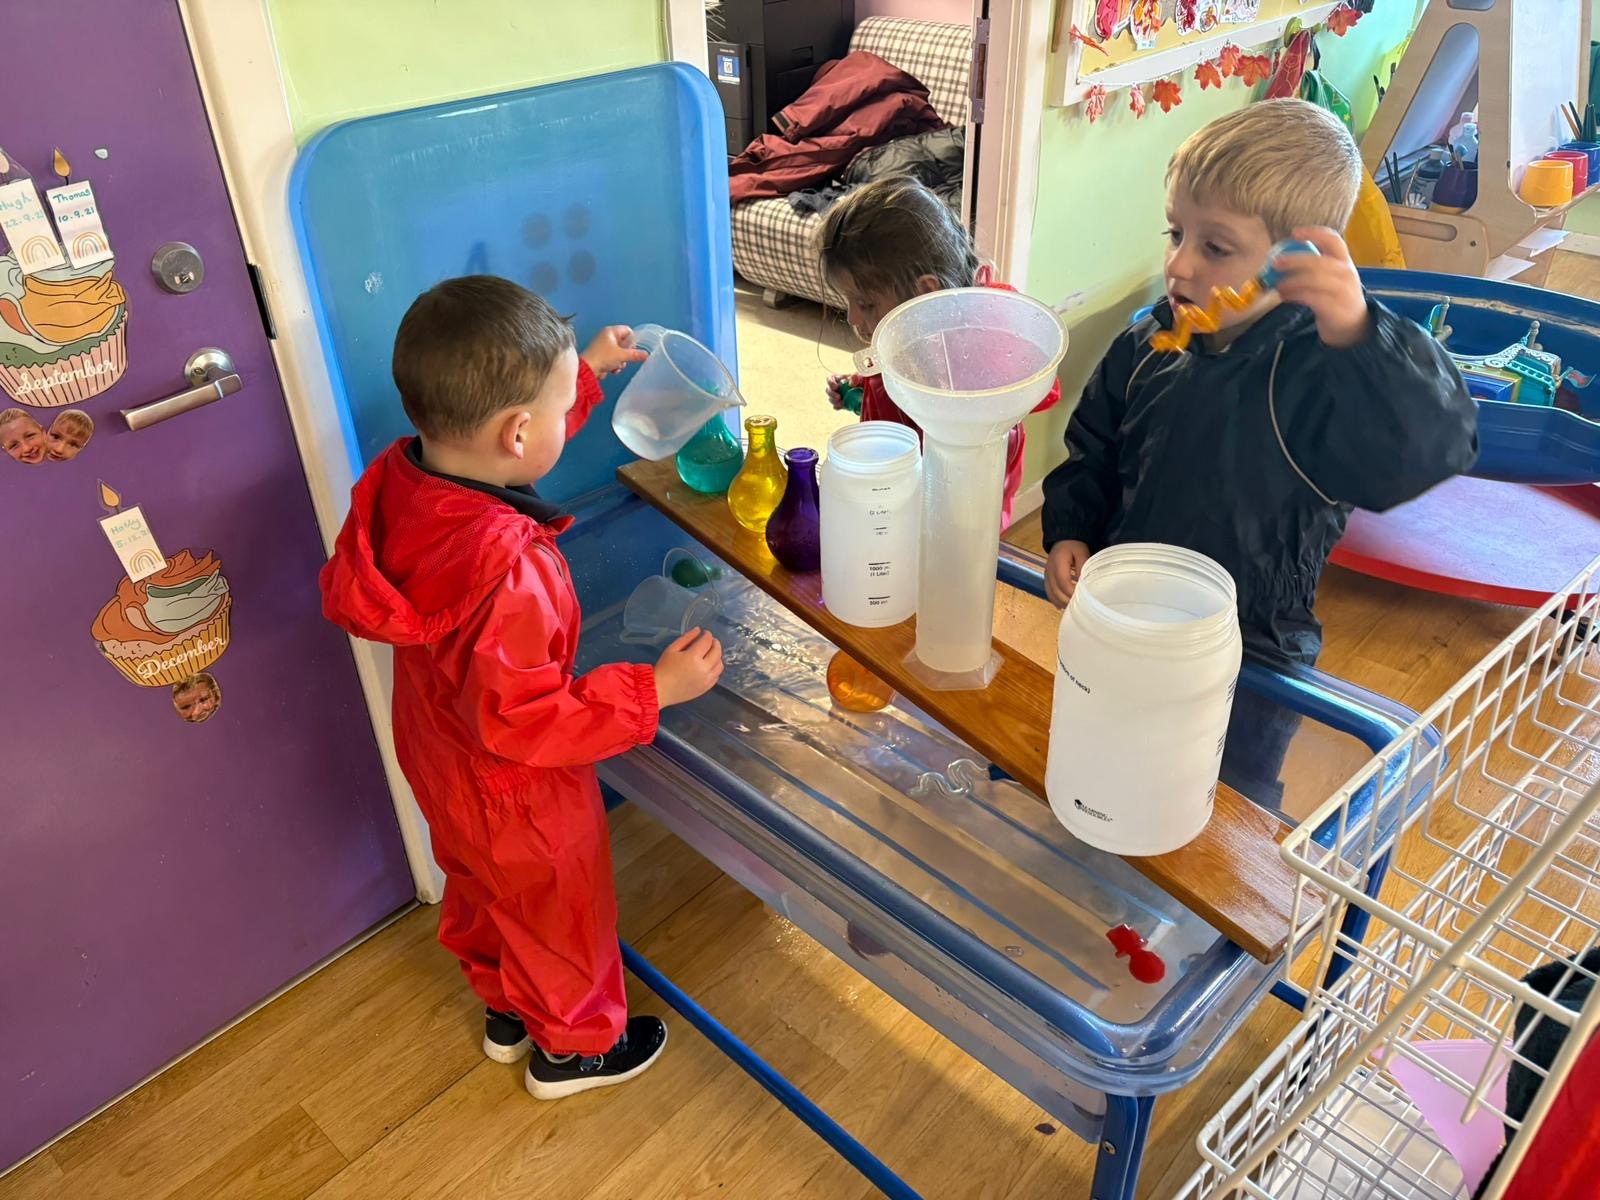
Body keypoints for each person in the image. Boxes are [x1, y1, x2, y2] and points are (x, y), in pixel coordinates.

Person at [320, 276, 724, 1100]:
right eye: (562, 404)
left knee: (480, 889)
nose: (569, 412)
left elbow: (512, 449)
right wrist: (655, 689)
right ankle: (574, 1051)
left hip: (438, 755)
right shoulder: (510, 570)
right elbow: (526, 719)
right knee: (557, 911)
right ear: (516, 431)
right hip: (517, 791)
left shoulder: (405, 480)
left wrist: (585, 375)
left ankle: (507, 1007)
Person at [1040, 99, 1478, 810]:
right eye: (1176, 232)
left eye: (1215, 248)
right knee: (1108, 764)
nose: (1179, 264)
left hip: (1253, 654)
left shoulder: (1321, 372)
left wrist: (1363, 336)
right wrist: (1070, 527)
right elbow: (1094, 447)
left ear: (1294, 262)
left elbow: (1430, 447)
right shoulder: (1147, 345)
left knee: (1226, 811)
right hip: (1129, 620)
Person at [818, 178, 1060, 530]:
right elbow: (889, 382)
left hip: (952, 518)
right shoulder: (909, 337)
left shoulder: (981, 356)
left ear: (925, 292)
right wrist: (858, 386)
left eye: (866, 304)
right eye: (849, 302)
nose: (853, 318)